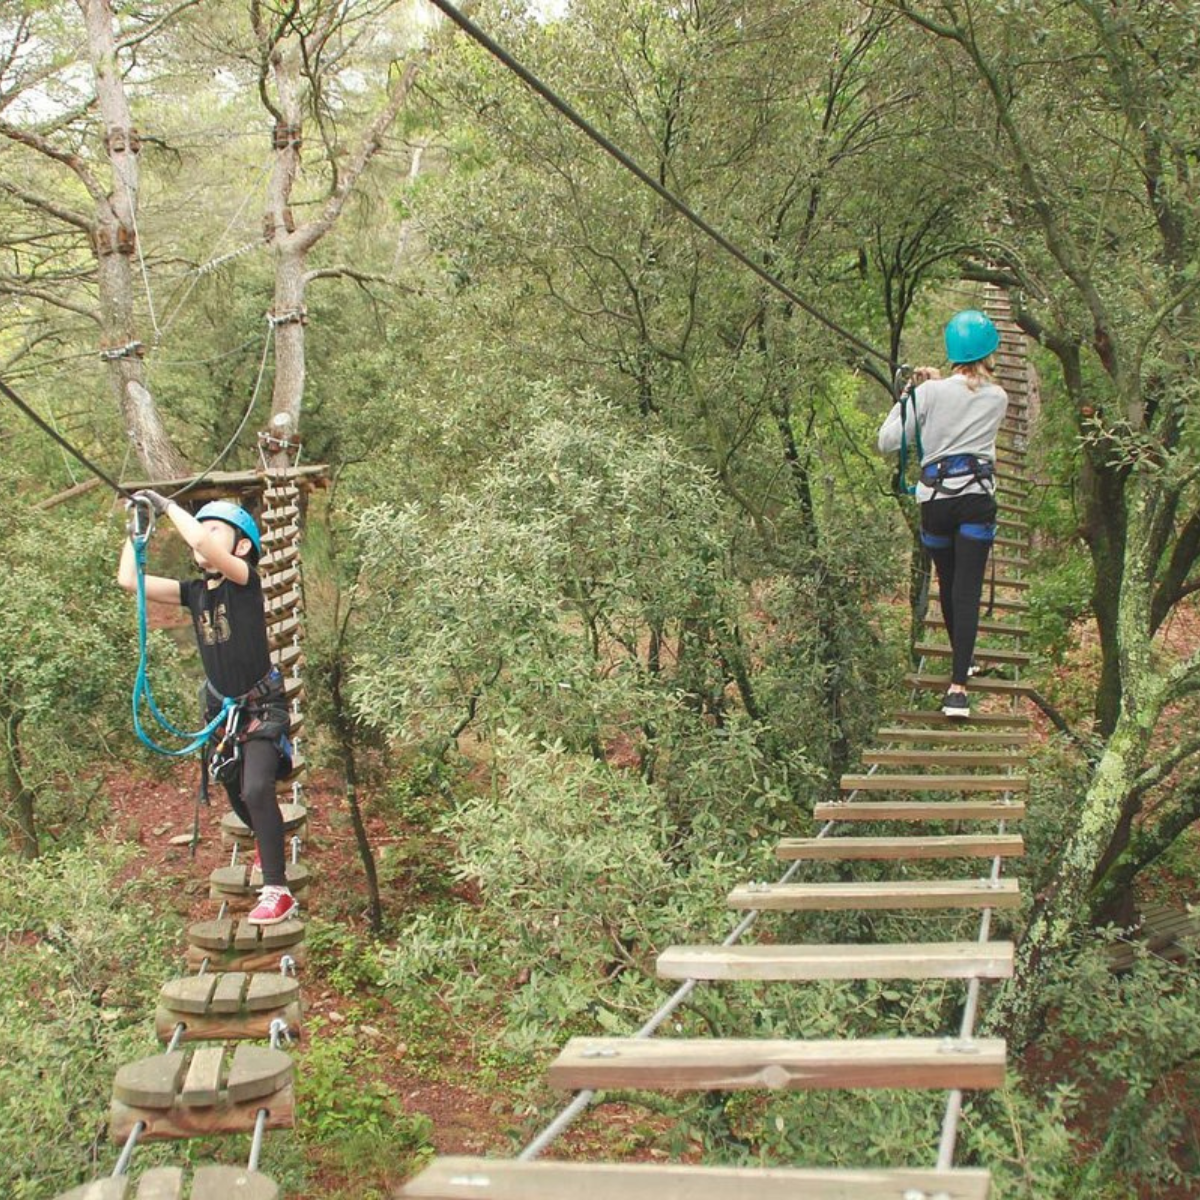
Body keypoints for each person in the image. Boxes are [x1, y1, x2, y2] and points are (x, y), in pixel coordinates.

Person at [118, 492, 297, 923]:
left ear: (240, 547)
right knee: (237, 794)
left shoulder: (244, 580)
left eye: (217, 528)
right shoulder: (194, 592)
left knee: (257, 789)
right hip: (222, 710)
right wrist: (136, 529)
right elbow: (130, 580)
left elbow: (201, 539)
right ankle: (264, 843)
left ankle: (277, 888)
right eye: (206, 528)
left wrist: (168, 506)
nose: (204, 539)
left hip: (261, 706)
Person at [878, 310, 1009, 719]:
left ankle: (961, 663)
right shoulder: (999, 397)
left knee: (949, 584)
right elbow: (968, 399)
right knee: (966, 591)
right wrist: (931, 390)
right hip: (975, 500)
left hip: (935, 504)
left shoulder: (929, 393)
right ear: (989, 353)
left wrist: (911, 395)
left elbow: (887, 442)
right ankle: (958, 688)